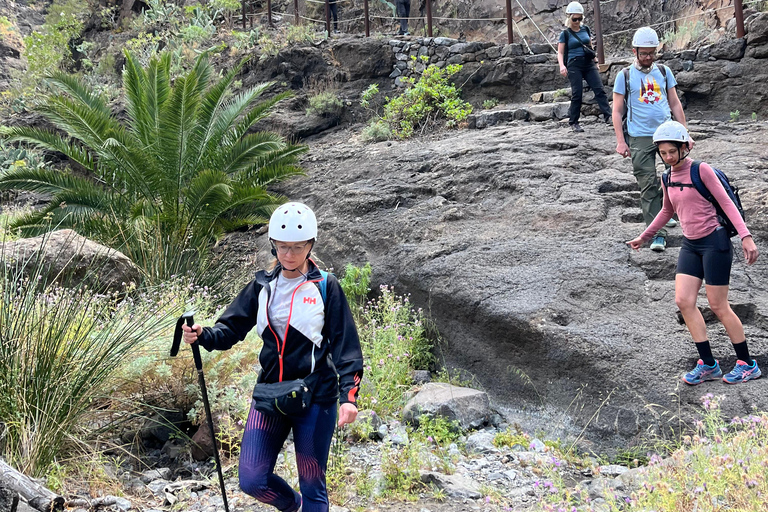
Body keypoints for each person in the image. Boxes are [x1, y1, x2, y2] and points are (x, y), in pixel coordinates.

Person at [182, 202, 364, 512]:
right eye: (282, 247)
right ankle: (294, 508)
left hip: (315, 397)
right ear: (273, 246)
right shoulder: (262, 286)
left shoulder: (325, 287)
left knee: (312, 484)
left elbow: (345, 346)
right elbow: (230, 329)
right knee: (252, 480)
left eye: (297, 247)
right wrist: (203, 335)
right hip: (270, 395)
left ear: (310, 245)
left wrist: (348, 396)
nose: (289, 254)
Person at [627, 121, 760, 386]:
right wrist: (646, 235)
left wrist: (745, 236)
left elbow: (726, 203)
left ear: (685, 147)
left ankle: (747, 364)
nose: (668, 157)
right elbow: (666, 210)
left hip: (715, 242)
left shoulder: (702, 170)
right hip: (690, 244)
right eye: (663, 153)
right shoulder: (667, 177)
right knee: (684, 301)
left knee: (718, 305)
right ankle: (709, 365)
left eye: (672, 152)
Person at [612, 26, 692, 253]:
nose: (648, 58)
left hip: (667, 133)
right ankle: (657, 234)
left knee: (674, 178)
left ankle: (666, 213)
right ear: (634, 51)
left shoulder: (665, 72)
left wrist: (684, 134)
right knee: (647, 184)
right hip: (639, 136)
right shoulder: (624, 76)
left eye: (652, 53)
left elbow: (675, 103)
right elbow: (617, 111)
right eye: (644, 53)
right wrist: (621, 140)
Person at [557, 2, 611, 133]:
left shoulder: (585, 29)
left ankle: (609, 117)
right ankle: (574, 121)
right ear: (569, 18)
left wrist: (596, 61)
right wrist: (562, 66)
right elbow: (560, 52)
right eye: (575, 19)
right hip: (574, 64)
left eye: (580, 18)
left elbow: (589, 47)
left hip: (588, 63)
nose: (577, 21)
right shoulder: (565, 34)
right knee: (577, 93)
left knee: (599, 89)